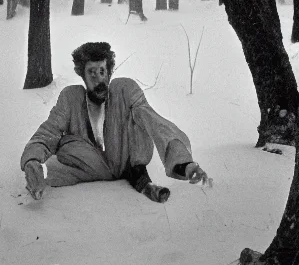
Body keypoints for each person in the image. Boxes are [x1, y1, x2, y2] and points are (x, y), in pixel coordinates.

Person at [21, 42, 211, 203]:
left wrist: (183, 164)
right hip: (87, 165)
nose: (98, 79)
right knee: (66, 148)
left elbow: (154, 122)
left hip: (128, 161)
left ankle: (140, 177)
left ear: (109, 71)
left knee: (139, 115)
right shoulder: (70, 98)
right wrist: (32, 160)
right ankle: (38, 179)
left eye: (102, 71)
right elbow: (49, 131)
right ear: (83, 76)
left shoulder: (124, 92)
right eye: (92, 73)